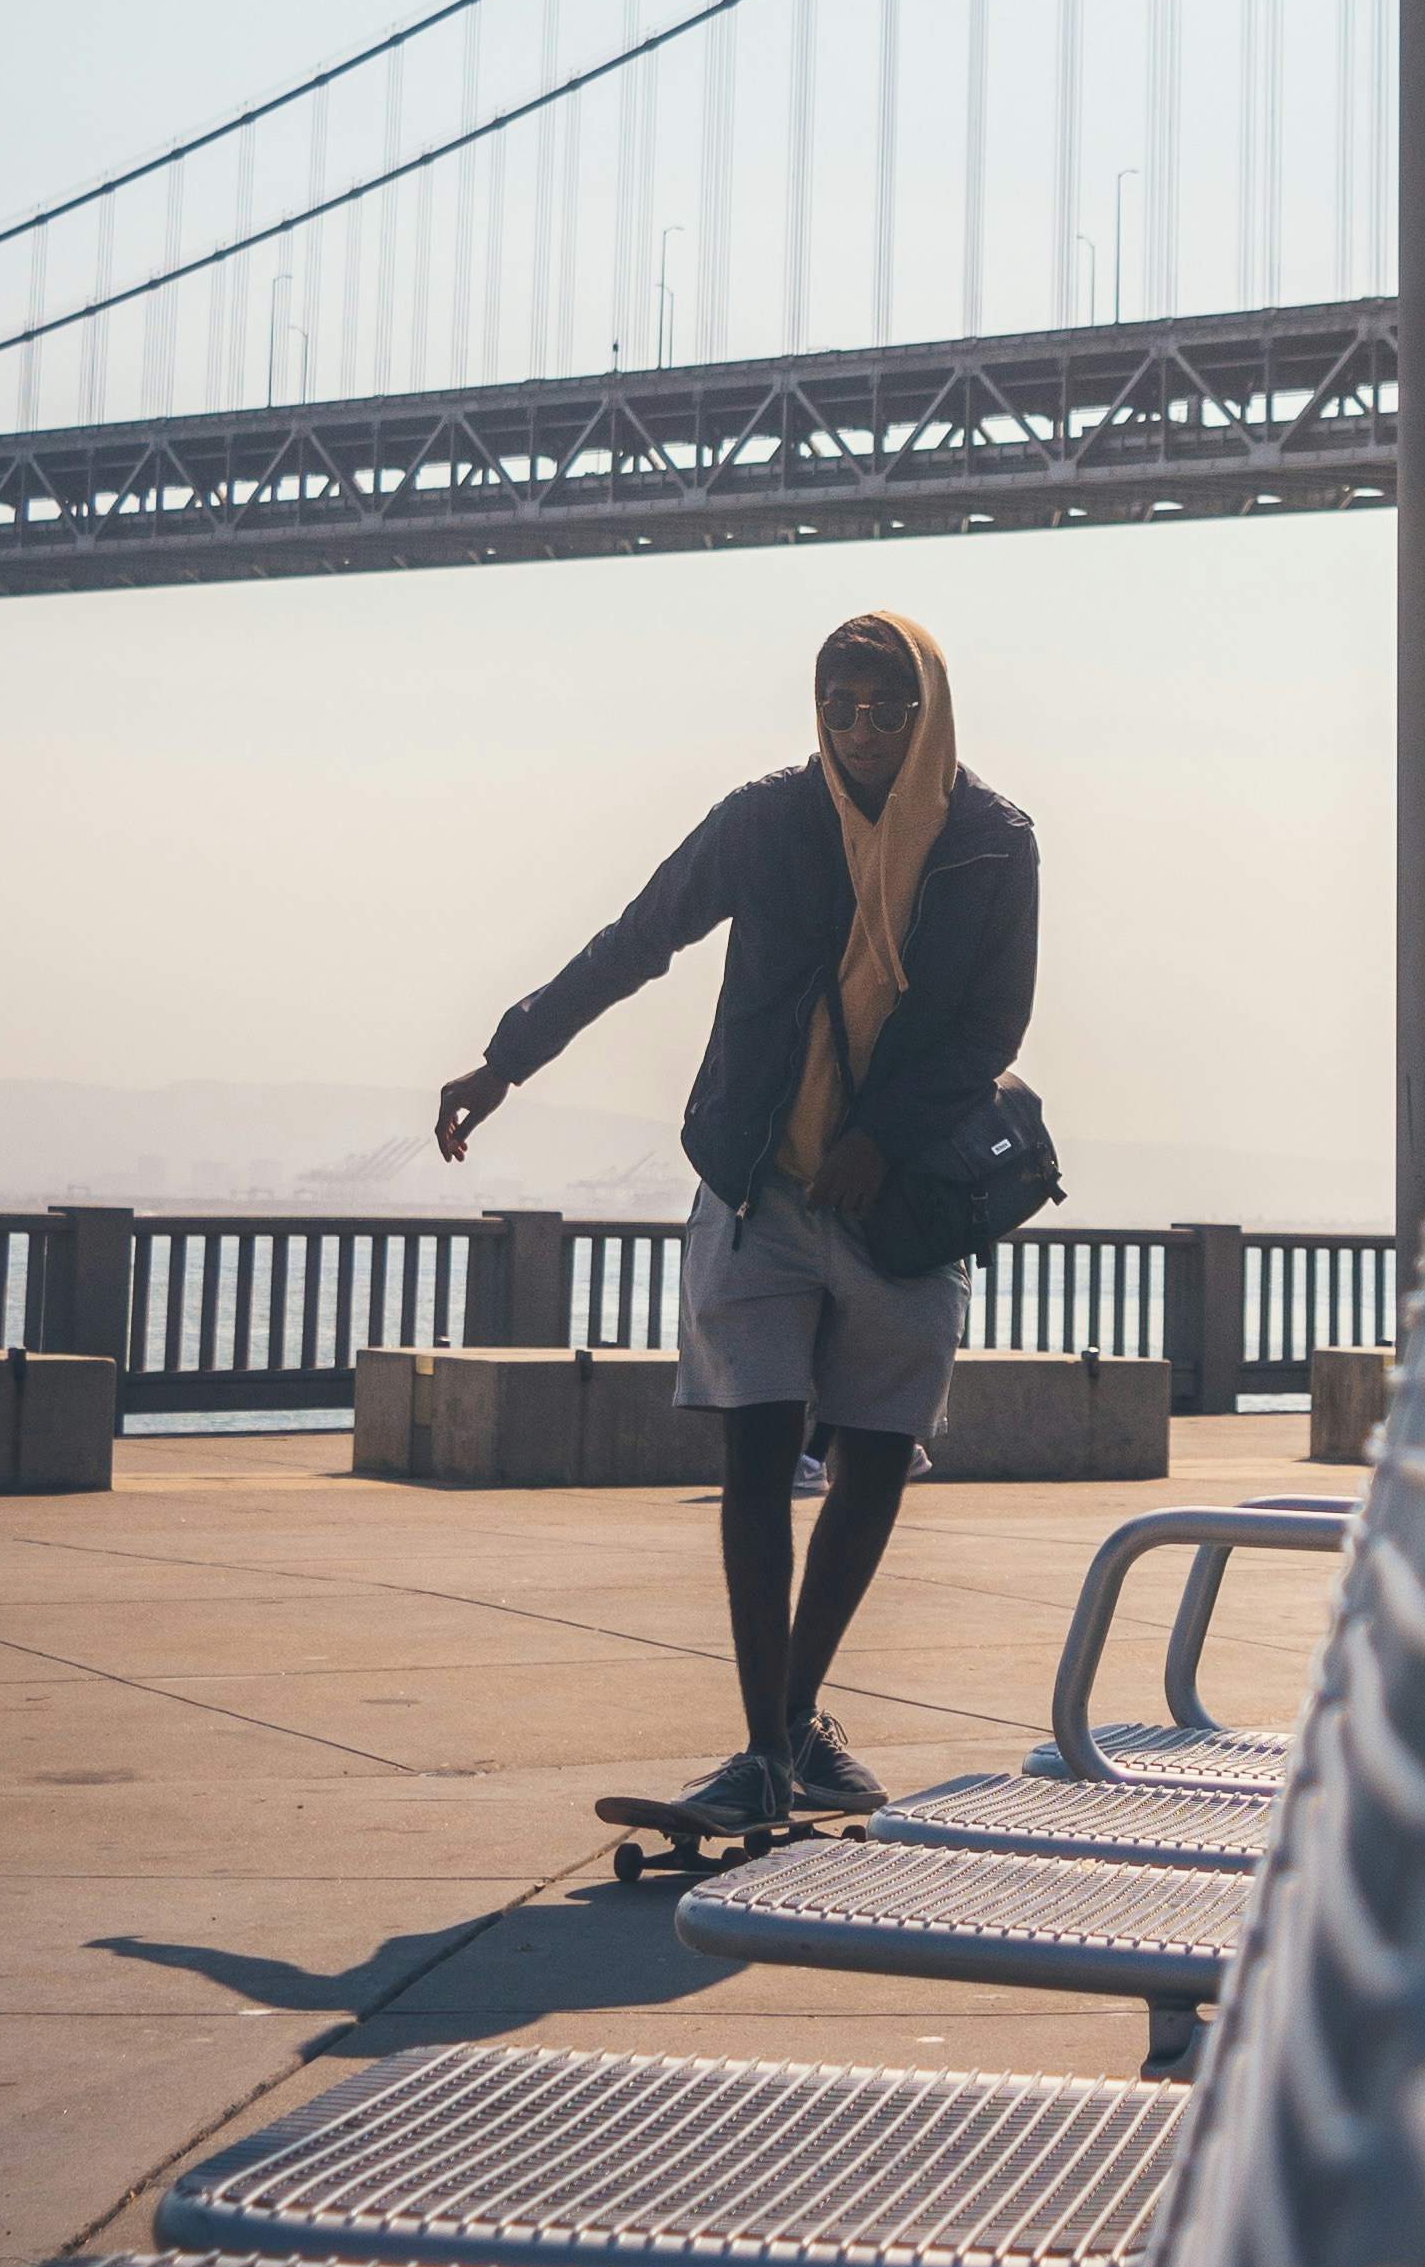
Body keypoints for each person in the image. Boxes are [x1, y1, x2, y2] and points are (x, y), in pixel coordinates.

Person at [434, 607, 1036, 1838]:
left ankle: (791, 1724)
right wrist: (508, 1057)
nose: (858, 731)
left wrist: (887, 1131)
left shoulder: (990, 842)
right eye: (837, 705)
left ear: (928, 711)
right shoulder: (763, 819)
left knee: (873, 1452)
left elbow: (992, 1027)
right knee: (755, 1454)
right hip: (758, 1179)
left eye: (885, 709)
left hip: (901, 1198)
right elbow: (638, 938)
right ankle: (770, 1745)